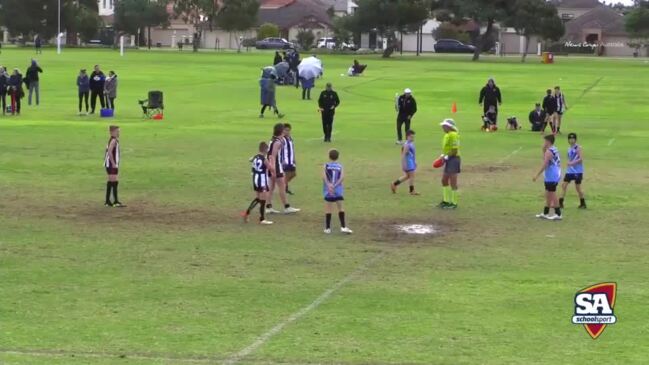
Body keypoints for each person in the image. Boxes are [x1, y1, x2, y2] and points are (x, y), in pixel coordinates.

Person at [266, 123, 300, 214]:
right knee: (282, 186)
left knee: (271, 187)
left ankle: (268, 207)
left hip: (271, 166)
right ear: (281, 131)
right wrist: (273, 168)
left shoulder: (273, 139)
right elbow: (273, 156)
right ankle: (286, 207)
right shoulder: (278, 142)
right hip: (276, 166)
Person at [241, 141, 274, 225]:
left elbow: (250, 159)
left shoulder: (255, 157)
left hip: (255, 180)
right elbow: (271, 168)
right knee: (263, 200)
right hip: (262, 180)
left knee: (258, 199)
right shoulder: (264, 159)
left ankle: (247, 213)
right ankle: (262, 219)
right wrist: (271, 160)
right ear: (265, 149)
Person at [323, 149, 353, 234]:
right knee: (340, 208)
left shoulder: (326, 165)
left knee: (328, 208)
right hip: (338, 190)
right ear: (338, 157)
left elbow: (324, 177)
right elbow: (342, 177)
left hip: (328, 190)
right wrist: (335, 186)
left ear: (329, 156)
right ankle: (343, 226)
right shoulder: (340, 166)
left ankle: (327, 228)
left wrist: (329, 185)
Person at [533, 134, 562, 220]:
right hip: (553, 173)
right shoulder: (554, 149)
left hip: (552, 174)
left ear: (548, 142)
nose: (544, 143)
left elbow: (545, 164)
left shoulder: (549, 151)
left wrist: (537, 175)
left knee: (552, 193)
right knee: (548, 193)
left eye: (545, 141)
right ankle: (546, 212)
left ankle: (558, 213)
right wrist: (543, 150)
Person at [438, 119, 461, 209]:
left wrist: (446, 157)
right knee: (444, 180)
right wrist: (442, 156)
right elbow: (447, 148)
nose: (442, 127)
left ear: (449, 126)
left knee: (453, 182)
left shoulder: (453, 135)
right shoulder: (447, 135)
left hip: (454, 159)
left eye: (444, 126)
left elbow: (454, 151)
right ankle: (446, 201)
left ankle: (454, 203)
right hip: (448, 159)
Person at [560, 133, 586, 209]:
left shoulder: (578, 148)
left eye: (573, 139)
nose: (571, 140)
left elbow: (581, 159)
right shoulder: (569, 148)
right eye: (570, 139)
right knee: (564, 185)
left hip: (577, 171)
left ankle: (583, 203)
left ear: (575, 139)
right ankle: (560, 203)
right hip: (570, 171)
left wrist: (571, 163)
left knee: (578, 187)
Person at [390, 130, 419, 195]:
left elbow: (412, 154)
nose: (413, 138)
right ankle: (412, 191)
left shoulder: (410, 143)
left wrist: (415, 161)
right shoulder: (407, 145)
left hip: (411, 162)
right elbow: (403, 155)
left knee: (407, 176)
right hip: (408, 163)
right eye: (411, 137)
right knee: (412, 176)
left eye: (413, 137)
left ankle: (394, 184)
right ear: (407, 137)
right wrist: (404, 164)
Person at [104, 125, 125, 207]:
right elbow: (109, 151)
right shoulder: (113, 141)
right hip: (111, 164)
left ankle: (107, 201)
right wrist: (113, 163)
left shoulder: (112, 140)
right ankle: (115, 201)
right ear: (112, 132)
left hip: (108, 164)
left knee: (111, 182)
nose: (119, 133)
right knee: (114, 182)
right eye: (117, 131)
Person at [282, 123, 297, 195]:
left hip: (291, 160)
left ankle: (283, 185)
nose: (287, 132)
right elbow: (280, 150)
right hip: (286, 160)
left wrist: (294, 158)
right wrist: (282, 160)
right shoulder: (282, 139)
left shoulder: (290, 138)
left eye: (288, 130)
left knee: (293, 174)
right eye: (285, 130)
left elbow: (292, 148)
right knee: (287, 174)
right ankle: (285, 189)